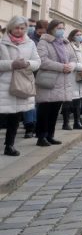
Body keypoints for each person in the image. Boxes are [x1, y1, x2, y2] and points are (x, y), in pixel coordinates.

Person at [0, 16, 41, 156]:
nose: (19, 30)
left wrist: (28, 64)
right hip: (3, 83)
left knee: (15, 117)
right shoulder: (1, 42)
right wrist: (11, 64)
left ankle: (9, 145)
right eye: (17, 27)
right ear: (11, 27)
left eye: (22, 28)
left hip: (21, 83)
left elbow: (37, 61)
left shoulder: (30, 43)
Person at [35, 20, 77, 146]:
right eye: (59, 28)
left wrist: (71, 66)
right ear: (52, 29)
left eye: (63, 28)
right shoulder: (44, 42)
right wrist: (61, 67)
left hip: (62, 81)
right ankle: (41, 137)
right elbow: (42, 60)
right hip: (49, 81)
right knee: (44, 111)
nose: (62, 30)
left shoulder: (65, 43)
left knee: (55, 111)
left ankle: (50, 135)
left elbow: (73, 58)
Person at [64, 29, 82, 130]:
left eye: (81, 35)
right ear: (72, 36)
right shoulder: (68, 46)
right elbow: (72, 62)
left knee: (78, 102)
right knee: (68, 101)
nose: (79, 36)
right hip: (71, 76)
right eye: (77, 35)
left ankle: (77, 122)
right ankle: (66, 122)